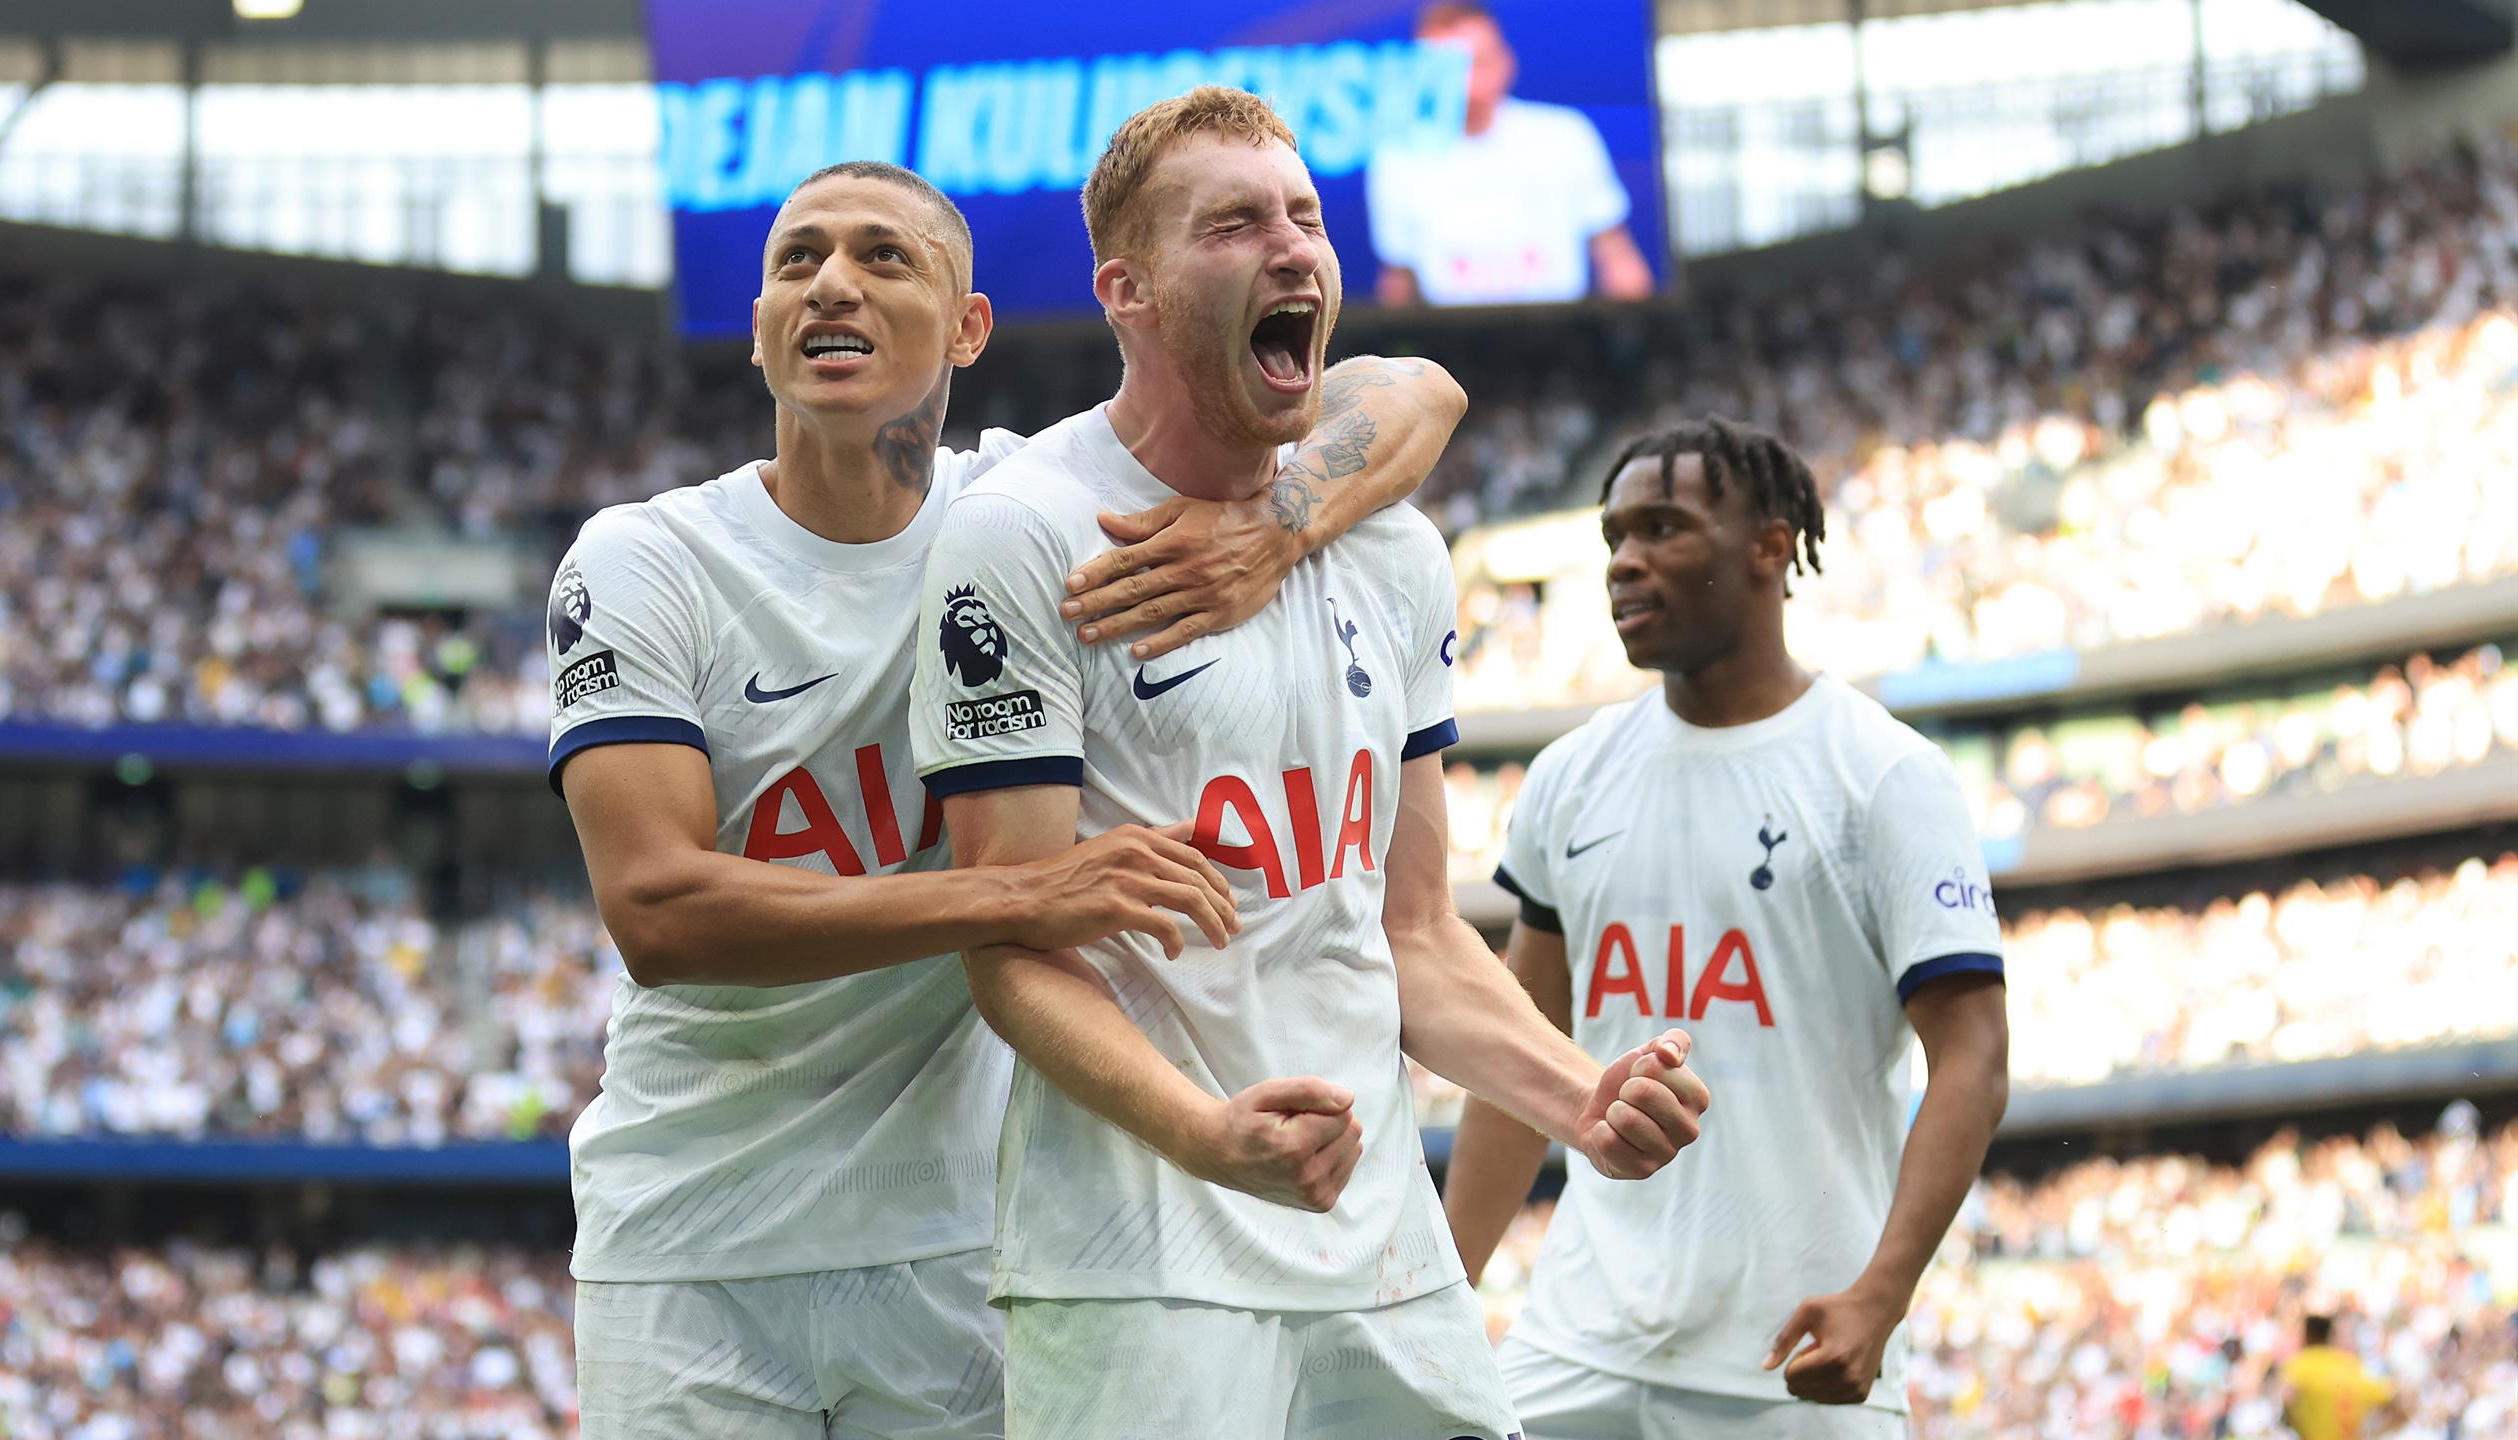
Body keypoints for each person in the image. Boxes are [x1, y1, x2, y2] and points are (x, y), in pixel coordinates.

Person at [548, 159, 1469, 1438]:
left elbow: (1415, 390)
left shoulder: (1018, 515)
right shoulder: (646, 561)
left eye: (884, 258)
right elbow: (658, 908)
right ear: (761, 332)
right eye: (795, 261)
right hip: (695, 1241)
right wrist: (1020, 889)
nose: (831, 284)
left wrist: (1282, 524)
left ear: (969, 329)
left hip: (963, 1247)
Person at [908, 86, 1710, 1440]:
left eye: (1308, 219)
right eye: (1234, 225)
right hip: (1141, 1260)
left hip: (1383, 1248)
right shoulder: (1024, 536)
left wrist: (1584, 1094)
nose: (1294, 250)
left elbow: (1412, 932)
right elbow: (1016, 944)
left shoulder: (1389, 549)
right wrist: (1207, 1138)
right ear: (1133, 290)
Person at [1442, 416, 2011, 1440]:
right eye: (1614, 535)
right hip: (1575, 1346)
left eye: (1663, 528)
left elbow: (1972, 1056)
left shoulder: (1882, 776)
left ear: (1770, 545)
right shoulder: (1572, 776)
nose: (1624, 563)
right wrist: (1444, 1299)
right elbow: (1516, 1057)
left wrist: (1880, 1296)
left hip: (1790, 1364)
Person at [1367, 1, 1655, 306]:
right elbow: (1398, 280)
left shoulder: (1566, 135)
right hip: (1452, 343)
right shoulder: (1397, 158)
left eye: (1476, 63)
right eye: (1447, 68)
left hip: (1563, 335)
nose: (1465, 82)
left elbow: (1616, 256)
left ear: (1505, 62)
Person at [2283, 1314, 2399, 1440]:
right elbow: (2392, 1396)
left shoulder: (2300, 1364)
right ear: (2330, 1335)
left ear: (2306, 1335)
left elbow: (2287, 1396)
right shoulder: (2351, 1365)